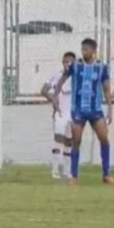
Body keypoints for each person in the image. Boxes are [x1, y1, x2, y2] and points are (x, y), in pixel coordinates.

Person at [52, 38, 114, 185]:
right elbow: (62, 79)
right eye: (82, 49)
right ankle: (74, 176)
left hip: (95, 110)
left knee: (104, 139)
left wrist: (110, 110)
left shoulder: (101, 67)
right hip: (78, 110)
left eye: (86, 49)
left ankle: (106, 174)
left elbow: (106, 89)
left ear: (94, 50)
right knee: (76, 141)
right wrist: (55, 95)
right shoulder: (75, 66)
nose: (84, 52)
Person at [41, 51, 76, 179]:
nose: (67, 64)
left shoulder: (77, 77)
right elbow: (44, 90)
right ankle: (55, 170)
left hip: (72, 114)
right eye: (65, 61)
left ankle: (67, 171)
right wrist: (53, 99)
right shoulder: (57, 76)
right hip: (60, 113)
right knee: (58, 140)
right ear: (62, 62)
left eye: (70, 62)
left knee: (69, 142)